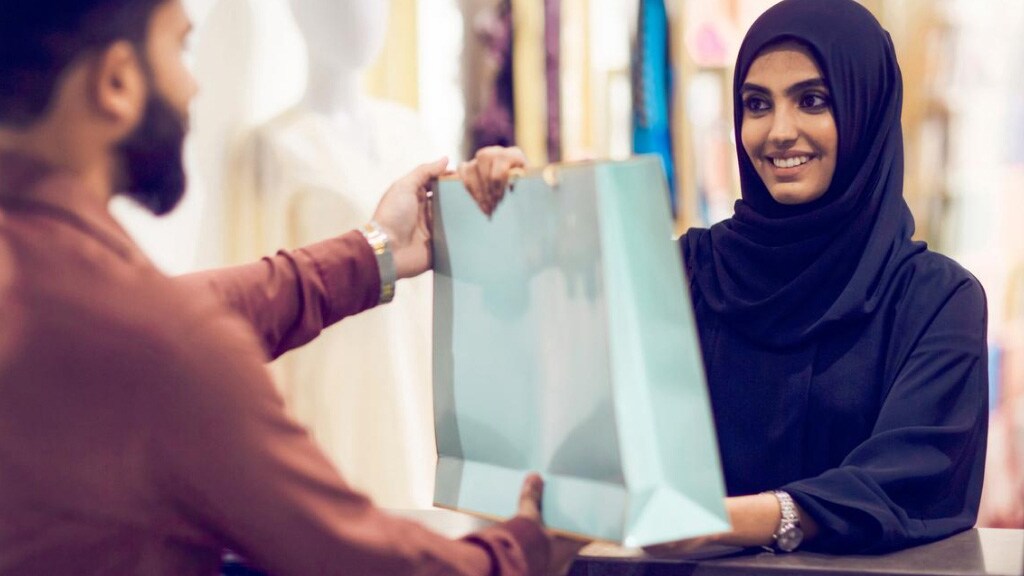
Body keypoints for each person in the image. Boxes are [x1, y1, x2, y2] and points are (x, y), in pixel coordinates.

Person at [0, 0, 573, 574]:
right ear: (116, 82)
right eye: (181, 47)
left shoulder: (56, 290)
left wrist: (377, 252)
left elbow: (166, 313)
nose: (195, 85)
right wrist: (524, 547)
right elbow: (361, 561)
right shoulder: (161, 345)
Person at [671, 0, 988, 554]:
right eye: (756, 104)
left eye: (813, 101)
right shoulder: (690, 272)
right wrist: (500, 207)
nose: (778, 132)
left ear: (866, 110)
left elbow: (909, 474)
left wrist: (726, 521)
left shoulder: (936, 302)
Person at [226, 0, 439, 509]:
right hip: (333, 406)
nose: (364, 17)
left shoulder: (414, 134)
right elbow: (254, 317)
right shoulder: (270, 149)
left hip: (415, 395)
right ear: (302, 11)